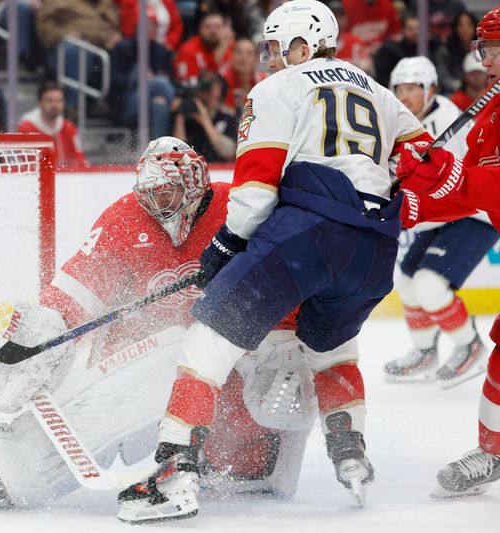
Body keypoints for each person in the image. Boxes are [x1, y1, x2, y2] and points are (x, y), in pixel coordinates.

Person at [117, 0, 432, 522]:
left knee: (207, 339)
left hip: (309, 234)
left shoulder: (276, 89)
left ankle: (173, 474)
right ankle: (350, 452)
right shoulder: (380, 93)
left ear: (304, 44)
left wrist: (224, 246)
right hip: (377, 248)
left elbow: (257, 188)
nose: (269, 60)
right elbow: (428, 167)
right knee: (331, 346)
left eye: (276, 48)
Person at [0, 137, 317, 511]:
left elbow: (282, 279)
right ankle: (15, 474)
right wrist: (44, 330)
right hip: (138, 355)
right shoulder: (123, 218)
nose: (158, 204)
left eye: (169, 193)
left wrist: (282, 339)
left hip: (225, 357)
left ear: (194, 184)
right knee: (104, 411)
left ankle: (200, 460)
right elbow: (75, 291)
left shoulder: (235, 211)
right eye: (151, 193)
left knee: (249, 471)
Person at [392, 5, 500, 498]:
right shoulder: (485, 119)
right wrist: (412, 199)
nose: (487, 61)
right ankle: (493, 453)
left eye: (496, 50)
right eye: (485, 50)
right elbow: (468, 191)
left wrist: (451, 174)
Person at [383, 57, 498, 386]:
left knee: (430, 286)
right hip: (436, 215)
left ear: (430, 89)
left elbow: (461, 183)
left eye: (412, 89)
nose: (405, 96)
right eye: (399, 89)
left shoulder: (451, 121)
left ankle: (469, 346)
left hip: (472, 213)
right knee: (406, 284)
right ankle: (424, 353)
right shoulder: (394, 121)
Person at [107, 12, 175, 138]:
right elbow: (114, 80)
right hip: (128, 100)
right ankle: (176, 102)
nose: (147, 31)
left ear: (155, 31)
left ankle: (158, 150)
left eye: (150, 27)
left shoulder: (162, 51)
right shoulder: (122, 48)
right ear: (137, 29)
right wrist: (139, 78)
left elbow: (171, 77)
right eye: (144, 27)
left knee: (159, 104)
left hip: (154, 99)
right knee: (158, 82)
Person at [18, 81, 87, 169]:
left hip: (67, 178)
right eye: (49, 100)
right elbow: (26, 162)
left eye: (59, 100)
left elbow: (80, 159)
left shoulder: (69, 127)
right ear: (39, 103)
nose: (54, 105)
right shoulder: (27, 128)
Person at [173, 69, 237, 163]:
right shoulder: (188, 118)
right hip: (191, 169)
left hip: (220, 171)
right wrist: (180, 114)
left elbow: (228, 152)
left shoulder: (226, 118)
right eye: (206, 89)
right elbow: (177, 152)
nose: (212, 93)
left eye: (217, 88)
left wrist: (205, 120)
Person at [173, 9, 232, 83]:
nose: (213, 31)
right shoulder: (188, 50)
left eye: (217, 26)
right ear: (200, 29)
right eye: (208, 26)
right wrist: (217, 60)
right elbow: (186, 83)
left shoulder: (232, 48)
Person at [220, 36, 268, 114]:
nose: (243, 57)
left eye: (249, 53)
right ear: (232, 56)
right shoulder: (222, 80)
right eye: (239, 52)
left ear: (256, 59)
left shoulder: (264, 81)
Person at [434, 11, 478, 95]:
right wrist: (464, 87)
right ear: (455, 28)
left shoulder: (482, 49)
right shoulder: (444, 51)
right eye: (460, 25)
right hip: (453, 92)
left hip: (478, 90)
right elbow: (443, 78)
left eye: (469, 25)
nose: (465, 29)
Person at [373, 15, 419, 88]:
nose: (415, 32)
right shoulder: (389, 51)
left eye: (418, 28)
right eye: (410, 28)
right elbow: (383, 79)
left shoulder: (431, 49)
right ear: (403, 30)